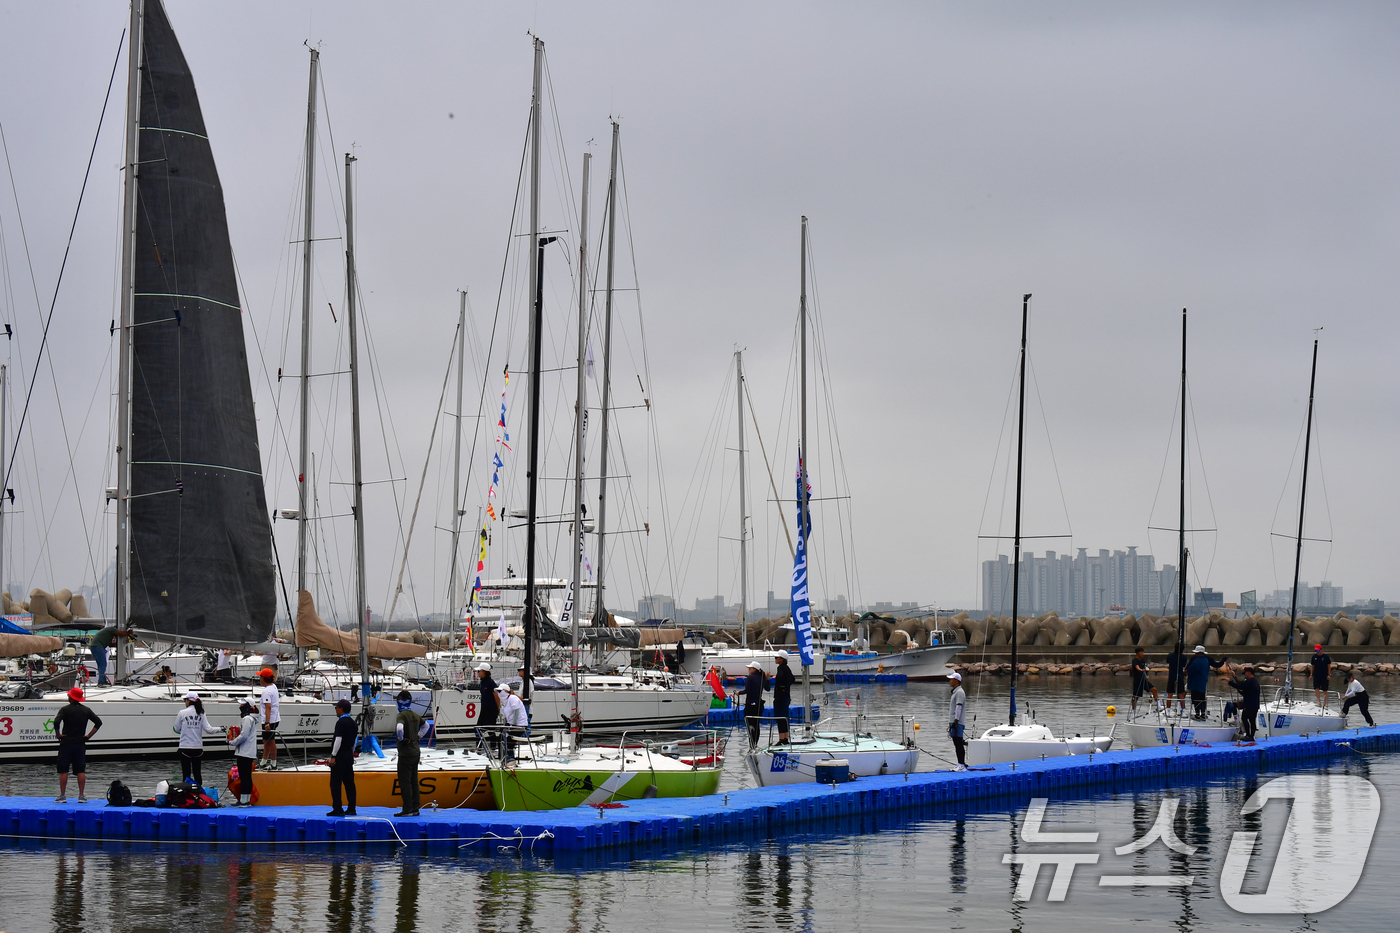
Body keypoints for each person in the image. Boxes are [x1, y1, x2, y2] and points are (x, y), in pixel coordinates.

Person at [53, 687, 101, 802]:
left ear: (71, 697)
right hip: (80, 742)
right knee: (80, 770)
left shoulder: (65, 709)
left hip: (66, 742)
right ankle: (81, 796)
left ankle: (63, 796)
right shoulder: (86, 710)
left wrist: (58, 734)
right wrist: (88, 736)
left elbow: (56, 721)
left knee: (64, 769)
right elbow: (98, 722)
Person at [174, 691, 223, 787]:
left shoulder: (182, 713)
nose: (185, 702)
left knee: (186, 775)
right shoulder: (201, 713)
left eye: (185, 700)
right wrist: (221, 729)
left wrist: (185, 729)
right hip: (197, 748)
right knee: (197, 774)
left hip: (185, 748)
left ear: (189, 701)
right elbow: (209, 730)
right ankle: (200, 794)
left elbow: (176, 728)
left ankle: (186, 797)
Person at [394, 690, 428, 817]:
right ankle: (415, 807)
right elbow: (426, 727)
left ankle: (407, 808)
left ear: (399, 701)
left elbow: (399, 728)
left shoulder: (401, 715)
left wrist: (401, 739)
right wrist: (418, 737)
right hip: (416, 751)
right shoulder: (414, 714)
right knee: (414, 781)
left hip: (406, 753)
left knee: (405, 782)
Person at [327, 698, 358, 817]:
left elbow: (338, 740)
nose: (336, 709)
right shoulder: (353, 723)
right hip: (349, 755)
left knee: (335, 783)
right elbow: (355, 740)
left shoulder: (340, 723)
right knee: (349, 783)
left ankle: (338, 808)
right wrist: (351, 752)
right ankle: (351, 808)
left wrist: (333, 756)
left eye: (337, 707)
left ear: (341, 709)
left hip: (340, 755)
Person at [228, 699, 259, 806]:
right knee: (247, 777)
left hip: (244, 752)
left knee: (244, 777)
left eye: (242, 704)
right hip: (249, 752)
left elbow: (244, 735)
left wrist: (232, 742)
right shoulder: (252, 719)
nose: (240, 706)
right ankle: (245, 800)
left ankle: (244, 801)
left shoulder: (247, 719)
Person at [1185, 645, 1227, 719]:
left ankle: (1197, 714)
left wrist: (1183, 673)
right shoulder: (1206, 660)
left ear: (1198, 653)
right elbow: (1216, 665)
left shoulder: (1196, 660)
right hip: (1203, 682)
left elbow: (1188, 669)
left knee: (1195, 699)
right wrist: (1223, 661)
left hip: (1195, 683)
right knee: (1202, 698)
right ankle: (1203, 714)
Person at [1224, 663, 1261, 741]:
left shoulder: (1250, 681)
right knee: (1252, 720)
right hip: (1255, 705)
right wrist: (1234, 677)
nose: (1245, 676)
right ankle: (1251, 736)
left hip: (1249, 705)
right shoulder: (1255, 682)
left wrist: (1230, 682)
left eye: (1245, 674)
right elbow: (1244, 692)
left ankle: (1248, 735)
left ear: (1248, 673)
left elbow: (1240, 686)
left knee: (1244, 718)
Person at [473, 662, 500, 751]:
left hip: (491, 710)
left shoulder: (490, 683)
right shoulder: (483, 682)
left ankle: (493, 748)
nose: (478, 673)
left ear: (484, 672)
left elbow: (496, 696)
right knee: (478, 729)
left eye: (479, 671)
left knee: (491, 729)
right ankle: (479, 748)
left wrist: (499, 709)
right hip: (484, 709)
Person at [498, 684, 529, 762]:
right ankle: (502, 757)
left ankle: (509, 756)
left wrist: (513, 725)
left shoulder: (512, 698)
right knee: (500, 737)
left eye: (499, 691)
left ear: (505, 691)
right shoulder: (504, 702)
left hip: (520, 725)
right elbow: (505, 716)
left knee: (509, 740)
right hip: (511, 725)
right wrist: (505, 726)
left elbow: (516, 712)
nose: (498, 693)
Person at [258, 668, 281, 770]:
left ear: (264, 678)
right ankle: (263, 762)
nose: (259, 678)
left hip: (270, 720)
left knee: (270, 742)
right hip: (274, 718)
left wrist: (267, 722)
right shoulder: (273, 687)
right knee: (266, 741)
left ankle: (274, 764)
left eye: (260, 676)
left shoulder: (267, 691)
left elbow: (268, 707)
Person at [742, 660, 768, 746]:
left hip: (750, 705)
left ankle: (751, 745)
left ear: (754, 669)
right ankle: (755, 744)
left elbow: (747, 690)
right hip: (759, 705)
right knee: (756, 725)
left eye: (750, 668)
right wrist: (767, 679)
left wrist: (739, 693)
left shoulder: (750, 678)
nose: (748, 669)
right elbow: (767, 688)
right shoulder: (762, 677)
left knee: (750, 725)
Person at [772, 650, 795, 743]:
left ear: (781, 659)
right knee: (785, 717)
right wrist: (786, 686)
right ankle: (786, 738)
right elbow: (792, 679)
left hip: (780, 698)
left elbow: (780, 678)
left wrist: (780, 685)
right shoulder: (787, 668)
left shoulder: (781, 668)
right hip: (786, 696)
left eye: (776, 658)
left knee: (779, 717)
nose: (775, 659)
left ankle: (781, 739)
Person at [947, 671, 967, 771]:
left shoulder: (959, 692)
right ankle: (960, 763)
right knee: (956, 743)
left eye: (951, 679)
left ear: (956, 681)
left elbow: (959, 706)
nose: (950, 681)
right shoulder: (955, 692)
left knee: (958, 743)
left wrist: (956, 720)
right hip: (954, 721)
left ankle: (961, 764)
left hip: (957, 722)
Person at [1165, 643, 1189, 713]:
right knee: (1181, 694)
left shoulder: (1170, 656)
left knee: (1170, 694)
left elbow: (1168, 662)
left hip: (1171, 677)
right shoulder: (1184, 657)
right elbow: (1184, 665)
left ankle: (1168, 710)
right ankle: (1183, 711)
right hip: (1180, 677)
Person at [1311, 644, 1332, 710]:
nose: (1317, 651)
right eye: (1316, 650)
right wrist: (1311, 674)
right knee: (1316, 688)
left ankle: (1325, 704)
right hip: (1316, 675)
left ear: (1321, 649)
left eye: (1318, 650)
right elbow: (1312, 666)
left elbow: (1329, 666)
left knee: (1325, 690)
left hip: (1324, 676)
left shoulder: (1325, 657)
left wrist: (1329, 674)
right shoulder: (1314, 657)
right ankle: (1319, 702)